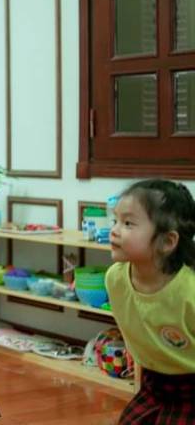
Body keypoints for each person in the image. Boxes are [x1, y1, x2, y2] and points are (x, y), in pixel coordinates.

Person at [105, 179, 195, 424]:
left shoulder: (189, 291)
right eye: (115, 220)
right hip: (154, 386)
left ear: (167, 242)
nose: (114, 230)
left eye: (128, 223)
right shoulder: (115, 279)